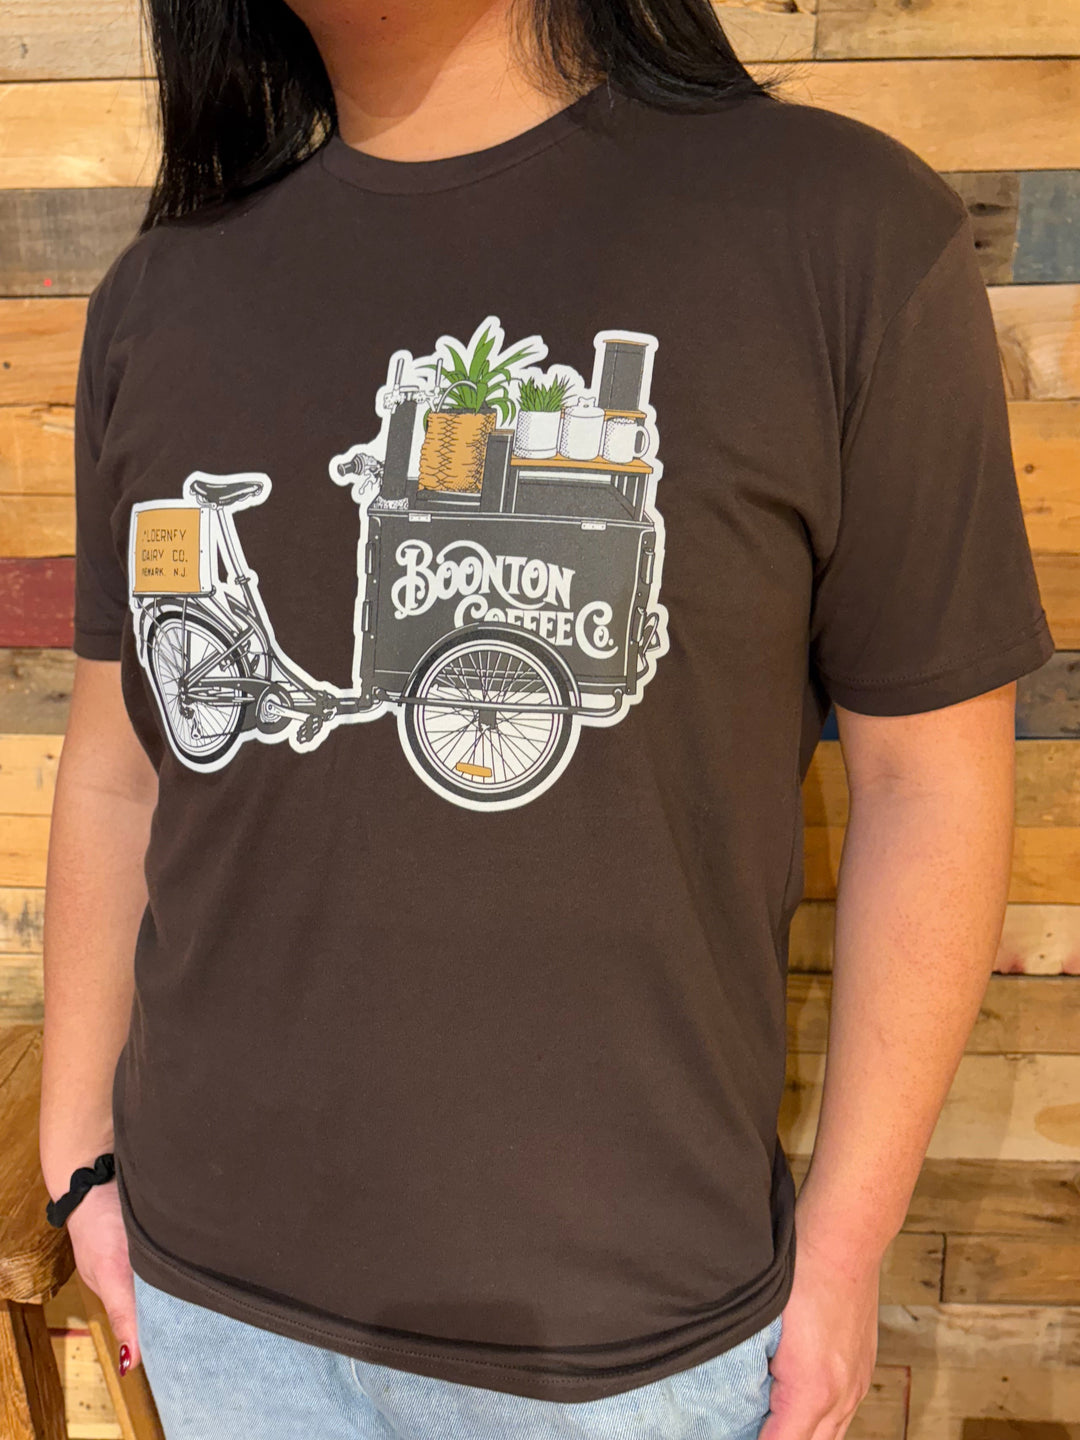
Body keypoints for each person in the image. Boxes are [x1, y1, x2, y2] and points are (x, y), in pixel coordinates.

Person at [39, 1, 1054, 1437]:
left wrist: (844, 1244)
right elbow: (120, 771)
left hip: (630, 1349)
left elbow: (928, 785)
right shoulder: (160, 294)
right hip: (213, 1306)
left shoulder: (838, 230)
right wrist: (77, 1149)